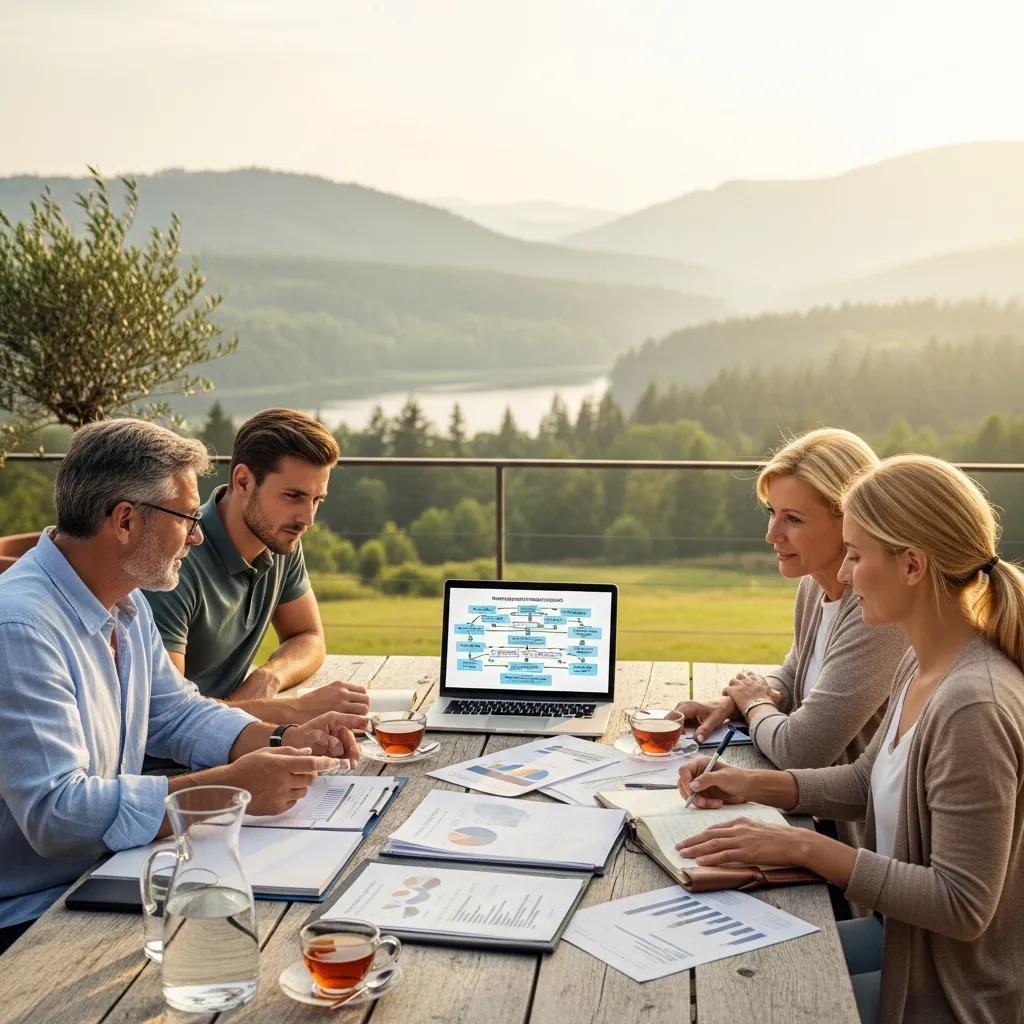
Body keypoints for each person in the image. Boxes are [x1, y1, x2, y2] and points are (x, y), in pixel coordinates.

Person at [676, 454, 1024, 1024]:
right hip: (900, 943)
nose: (842, 574)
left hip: (948, 993)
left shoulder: (973, 704)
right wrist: (753, 784)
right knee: (726, 975)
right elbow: (867, 780)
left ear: (912, 565)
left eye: (856, 556)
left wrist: (806, 847)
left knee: (748, 1003)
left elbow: (963, 906)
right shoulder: (921, 662)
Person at [0, 419, 365, 953]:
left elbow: (175, 714)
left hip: (111, 875)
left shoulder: (126, 603)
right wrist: (226, 790)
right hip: (33, 917)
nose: (197, 534)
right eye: (186, 518)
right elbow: (56, 813)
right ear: (125, 520)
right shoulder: (22, 627)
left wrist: (282, 740)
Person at [674, 430, 907, 840]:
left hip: (853, 840)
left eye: (794, 519)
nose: (771, 534)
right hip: (814, 818)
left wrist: (755, 705)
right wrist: (733, 702)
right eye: (772, 512)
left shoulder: (879, 615)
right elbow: (797, 670)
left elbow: (802, 749)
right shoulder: (815, 584)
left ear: (850, 521)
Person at [144, 408, 369, 725]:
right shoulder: (177, 560)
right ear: (243, 480)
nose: (308, 519)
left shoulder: (280, 539)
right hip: (173, 764)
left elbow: (308, 636)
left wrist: (269, 677)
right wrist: (298, 710)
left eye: (317, 499)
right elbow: (165, 718)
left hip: (231, 737)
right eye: (293, 496)